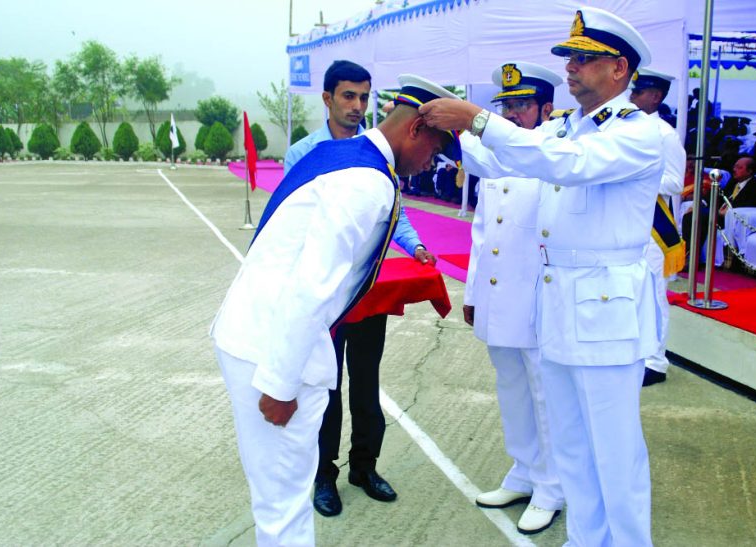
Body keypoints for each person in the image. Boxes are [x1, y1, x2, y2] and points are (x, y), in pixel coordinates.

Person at [420, 7, 662, 545]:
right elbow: (511, 164)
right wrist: (453, 129)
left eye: (584, 59)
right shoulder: (569, 129)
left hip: (604, 309)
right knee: (574, 449)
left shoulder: (638, 133)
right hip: (557, 303)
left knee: (614, 453)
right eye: (570, 59)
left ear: (619, 69)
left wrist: (479, 118)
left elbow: (568, 165)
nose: (571, 68)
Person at [211, 74, 461, 545]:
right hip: (275, 351)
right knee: (283, 504)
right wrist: (281, 384)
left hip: (254, 334)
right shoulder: (366, 183)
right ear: (416, 131)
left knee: (277, 498)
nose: (434, 162)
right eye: (437, 149)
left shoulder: (345, 156)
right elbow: (312, 286)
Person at [283, 61, 438, 518]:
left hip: (368, 290)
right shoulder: (305, 153)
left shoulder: (378, 150)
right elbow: (294, 218)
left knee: (365, 386)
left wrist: (416, 246)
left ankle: (364, 467)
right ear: (327, 98)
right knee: (325, 389)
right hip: (325, 296)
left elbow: (396, 212)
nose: (356, 106)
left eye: (364, 97)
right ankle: (323, 475)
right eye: (348, 96)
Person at [463, 61, 564, 535]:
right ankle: (523, 471)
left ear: (546, 108)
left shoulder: (555, 150)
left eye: (523, 105)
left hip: (537, 296)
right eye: (507, 105)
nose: (513, 114)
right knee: (512, 388)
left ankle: (552, 485)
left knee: (545, 393)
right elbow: (483, 231)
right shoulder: (496, 153)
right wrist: (472, 291)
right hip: (499, 293)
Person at [629, 68, 687, 387]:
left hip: (653, 227)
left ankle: (655, 361)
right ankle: (637, 353)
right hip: (628, 221)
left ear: (655, 96)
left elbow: (676, 183)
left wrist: (636, 178)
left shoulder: (664, 134)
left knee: (652, 295)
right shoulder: (627, 128)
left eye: (638, 93)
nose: (632, 97)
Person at [681, 156, 756, 259]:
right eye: (735, 166)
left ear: (749, 171)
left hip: (732, 217)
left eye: (739, 167)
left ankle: (693, 258)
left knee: (699, 217)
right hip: (718, 212)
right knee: (690, 215)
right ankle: (687, 253)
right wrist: (701, 203)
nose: (734, 170)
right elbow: (717, 194)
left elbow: (752, 204)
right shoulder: (734, 181)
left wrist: (729, 211)